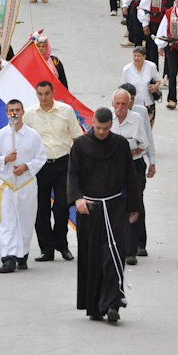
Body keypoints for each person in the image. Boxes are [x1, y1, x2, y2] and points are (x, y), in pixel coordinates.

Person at [67, 107, 139, 323]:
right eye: (98, 128)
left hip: (114, 206)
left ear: (111, 126)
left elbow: (130, 175)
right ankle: (95, 305)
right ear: (93, 124)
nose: (101, 132)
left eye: (106, 129)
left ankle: (113, 303)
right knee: (92, 256)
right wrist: (77, 198)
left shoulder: (120, 144)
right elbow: (73, 173)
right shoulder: (80, 145)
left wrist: (133, 205)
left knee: (114, 254)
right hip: (89, 208)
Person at [24, 81, 83, 262]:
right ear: (36, 94)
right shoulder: (29, 114)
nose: (44, 97)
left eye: (47, 93)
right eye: (40, 94)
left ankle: (62, 245)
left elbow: (78, 136)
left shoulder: (65, 111)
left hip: (63, 164)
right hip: (40, 166)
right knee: (41, 210)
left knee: (62, 208)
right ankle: (46, 249)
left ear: (53, 93)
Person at [0, 100, 47, 273]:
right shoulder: (0, 136)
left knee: (25, 220)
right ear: (6, 113)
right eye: (11, 110)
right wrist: (5, 159)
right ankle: (8, 257)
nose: (14, 113)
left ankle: (22, 254)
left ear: (22, 112)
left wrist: (26, 167)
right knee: (7, 221)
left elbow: (40, 158)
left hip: (25, 184)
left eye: (17, 110)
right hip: (6, 185)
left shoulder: (33, 135)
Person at [110, 89, 148, 267]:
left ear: (129, 104)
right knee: (113, 206)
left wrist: (127, 150)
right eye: (117, 104)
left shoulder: (136, 119)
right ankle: (114, 246)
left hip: (133, 166)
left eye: (123, 104)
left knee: (133, 205)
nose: (120, 108)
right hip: (112, 168)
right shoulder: (107, 118)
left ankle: (131, 251)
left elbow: (143, 145)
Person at [118, 82, 156, 257]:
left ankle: (139, 243)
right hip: (116, 167)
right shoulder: (111, 116)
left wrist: (152, 160)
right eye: (120, 102)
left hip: (135, 164)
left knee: (136, 203)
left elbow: (147, 138)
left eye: (128, 101)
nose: (124, 105)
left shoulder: (140, 114)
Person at [137, 0, 175, 71]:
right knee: (152, 50)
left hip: (168, 24)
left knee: (168, 49)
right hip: (154, 22)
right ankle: (153, 74)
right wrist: (145, 23)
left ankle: (167, 74)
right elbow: (144, 5)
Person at [121, 46, 161, 124]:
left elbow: (158, 80)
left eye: (139, 56)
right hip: (133, 105)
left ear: (144, 56)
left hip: (148, 103)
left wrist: (155, 86)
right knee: (135, 128)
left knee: (148, 128)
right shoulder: (127, 69)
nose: (136, 58)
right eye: (134, 56)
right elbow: (123, 88)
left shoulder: (151, 66)